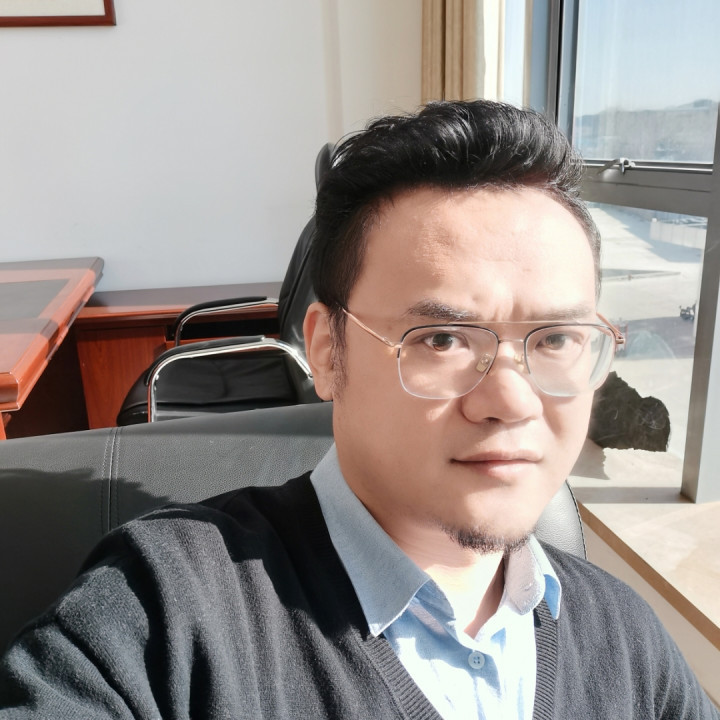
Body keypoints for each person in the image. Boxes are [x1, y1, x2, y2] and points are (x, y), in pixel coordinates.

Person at [0, 100, 717, 719]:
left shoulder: (627, 639)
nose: (511, 400)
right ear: (326, 350)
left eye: (556, 338)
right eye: (441, 339)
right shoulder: (165, 612)